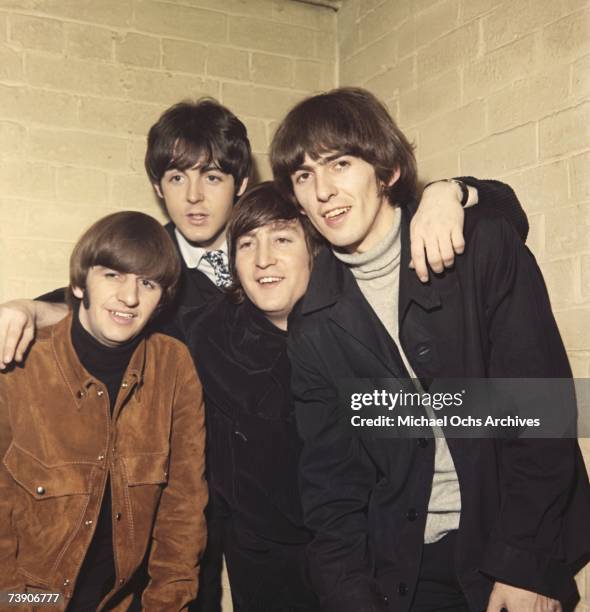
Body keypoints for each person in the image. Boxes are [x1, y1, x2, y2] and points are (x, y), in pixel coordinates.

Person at [270, 87, 590, 612]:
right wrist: (351, 596)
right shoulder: (313, 323)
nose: (323, 190)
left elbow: (540, 416)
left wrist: (524, 564)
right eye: (304, 175)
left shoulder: (480, 246)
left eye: (340, 164)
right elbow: (332, 486)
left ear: (387, 170)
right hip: (406, 567)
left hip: (512, 543)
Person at [0, 211, 208, 610]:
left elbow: (183, 511)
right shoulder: (22, 363)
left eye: (147, 283)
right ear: (79, 284)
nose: (129, 297)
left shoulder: (174, 366)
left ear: (162, 297)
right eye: (112, 275)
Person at [180, 181, 322, 611]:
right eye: (247, 244)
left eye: (281, 238)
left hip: (366, 557)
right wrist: (33, 310)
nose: (263, 260)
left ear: (314, 249)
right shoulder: (210, 331)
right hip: (263, 569)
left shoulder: (351, 323)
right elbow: (120, 308)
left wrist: (451, 193)